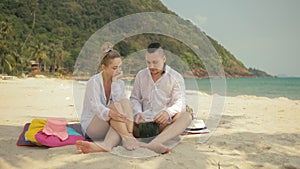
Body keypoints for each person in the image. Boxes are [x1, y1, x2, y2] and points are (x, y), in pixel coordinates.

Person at [76, 42, 141, 153]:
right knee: (114, 110)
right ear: (104, 67)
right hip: (92, 126)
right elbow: (96, 107)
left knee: (123, 103)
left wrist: (115, 82)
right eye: (114, 68)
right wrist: (111, 113)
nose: (118, 71)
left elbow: (122, 105)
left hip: (112, 123)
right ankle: (129, 136)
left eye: (120, 67)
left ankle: (107, 145)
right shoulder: (94, 82)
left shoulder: (119, 83)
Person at [130, 42, 192, 154]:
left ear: (163, 58)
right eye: (148, 62)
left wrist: (168, 112)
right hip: (141, 125)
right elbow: (134, 98)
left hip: (163, 127)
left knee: (186, 116)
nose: (151, 66)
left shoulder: (175, 77)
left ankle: (156, 142)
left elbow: (180, 102)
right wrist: (137, 112)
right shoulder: (141, 75)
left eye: (155, 62)